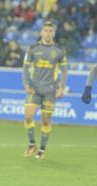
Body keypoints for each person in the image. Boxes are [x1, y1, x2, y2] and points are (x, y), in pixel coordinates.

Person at [22, 20, 68, 160]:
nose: (48, 33)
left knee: (46, 120)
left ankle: (42, 149)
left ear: (53, 33)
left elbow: (64, 70)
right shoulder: (33, 48)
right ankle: (31, 144)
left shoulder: (60, 50)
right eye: (45, 31)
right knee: (28, 116)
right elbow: (25, 68)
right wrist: (26, 84)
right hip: (34, 88)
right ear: (41, 32)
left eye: (50, 31)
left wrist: (61, 87)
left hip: (50, 90)